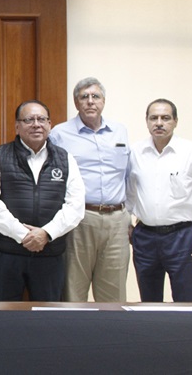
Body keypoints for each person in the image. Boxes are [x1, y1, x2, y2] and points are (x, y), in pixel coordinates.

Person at [0, 100, 85, 301]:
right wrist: (23, 235)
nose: (36, 124)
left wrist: (46, 233)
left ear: (50, 125)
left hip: (49, 254)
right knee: (5, 313)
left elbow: (76, 205)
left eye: (41, 119)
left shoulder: (65, 159)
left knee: (47, 315)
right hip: (8, 253)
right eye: (29, 120)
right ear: (17, 127)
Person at [126, 98, 192, 302]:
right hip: (145, 237)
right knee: (149, 303)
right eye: (154, 118)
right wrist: (127, 224)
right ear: (147, 121)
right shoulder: (134, 153)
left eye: (165, 118)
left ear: (175, 121)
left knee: (188, 303)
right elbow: (129, 194)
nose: (159, 123)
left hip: (182, 238)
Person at [49, 77, 131, 302]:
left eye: (95, 96)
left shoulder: (119, 131)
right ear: (76, 103)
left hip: (117, 220)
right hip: (80, 219)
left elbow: (127, 176)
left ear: (103, 101)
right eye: (84, 97)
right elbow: (52, 179)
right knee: (73, 291)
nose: (90, 101)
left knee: (114, 295)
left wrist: (130, 216)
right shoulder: (59, 134)